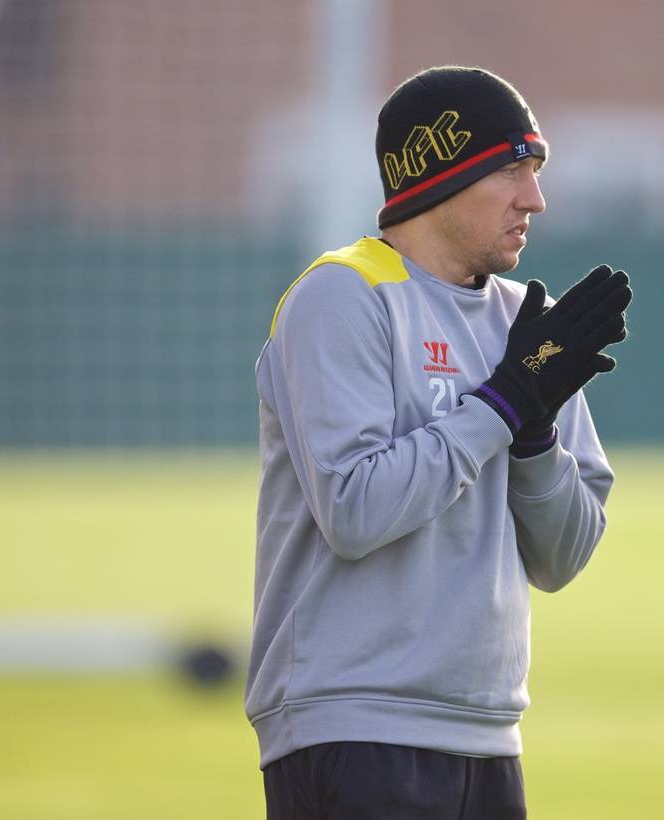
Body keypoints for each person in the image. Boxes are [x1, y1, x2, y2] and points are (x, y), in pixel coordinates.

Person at [244, 66, 632, 819]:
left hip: (488, 734)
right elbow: (356, 512)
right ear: (440, 175)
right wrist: (503, 401)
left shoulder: (526, 323)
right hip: (351, 728)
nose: (535, 198)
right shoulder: (341, 296)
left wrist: (534, 435)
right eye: (513, 168)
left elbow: (564, 556)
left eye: (537, 169)